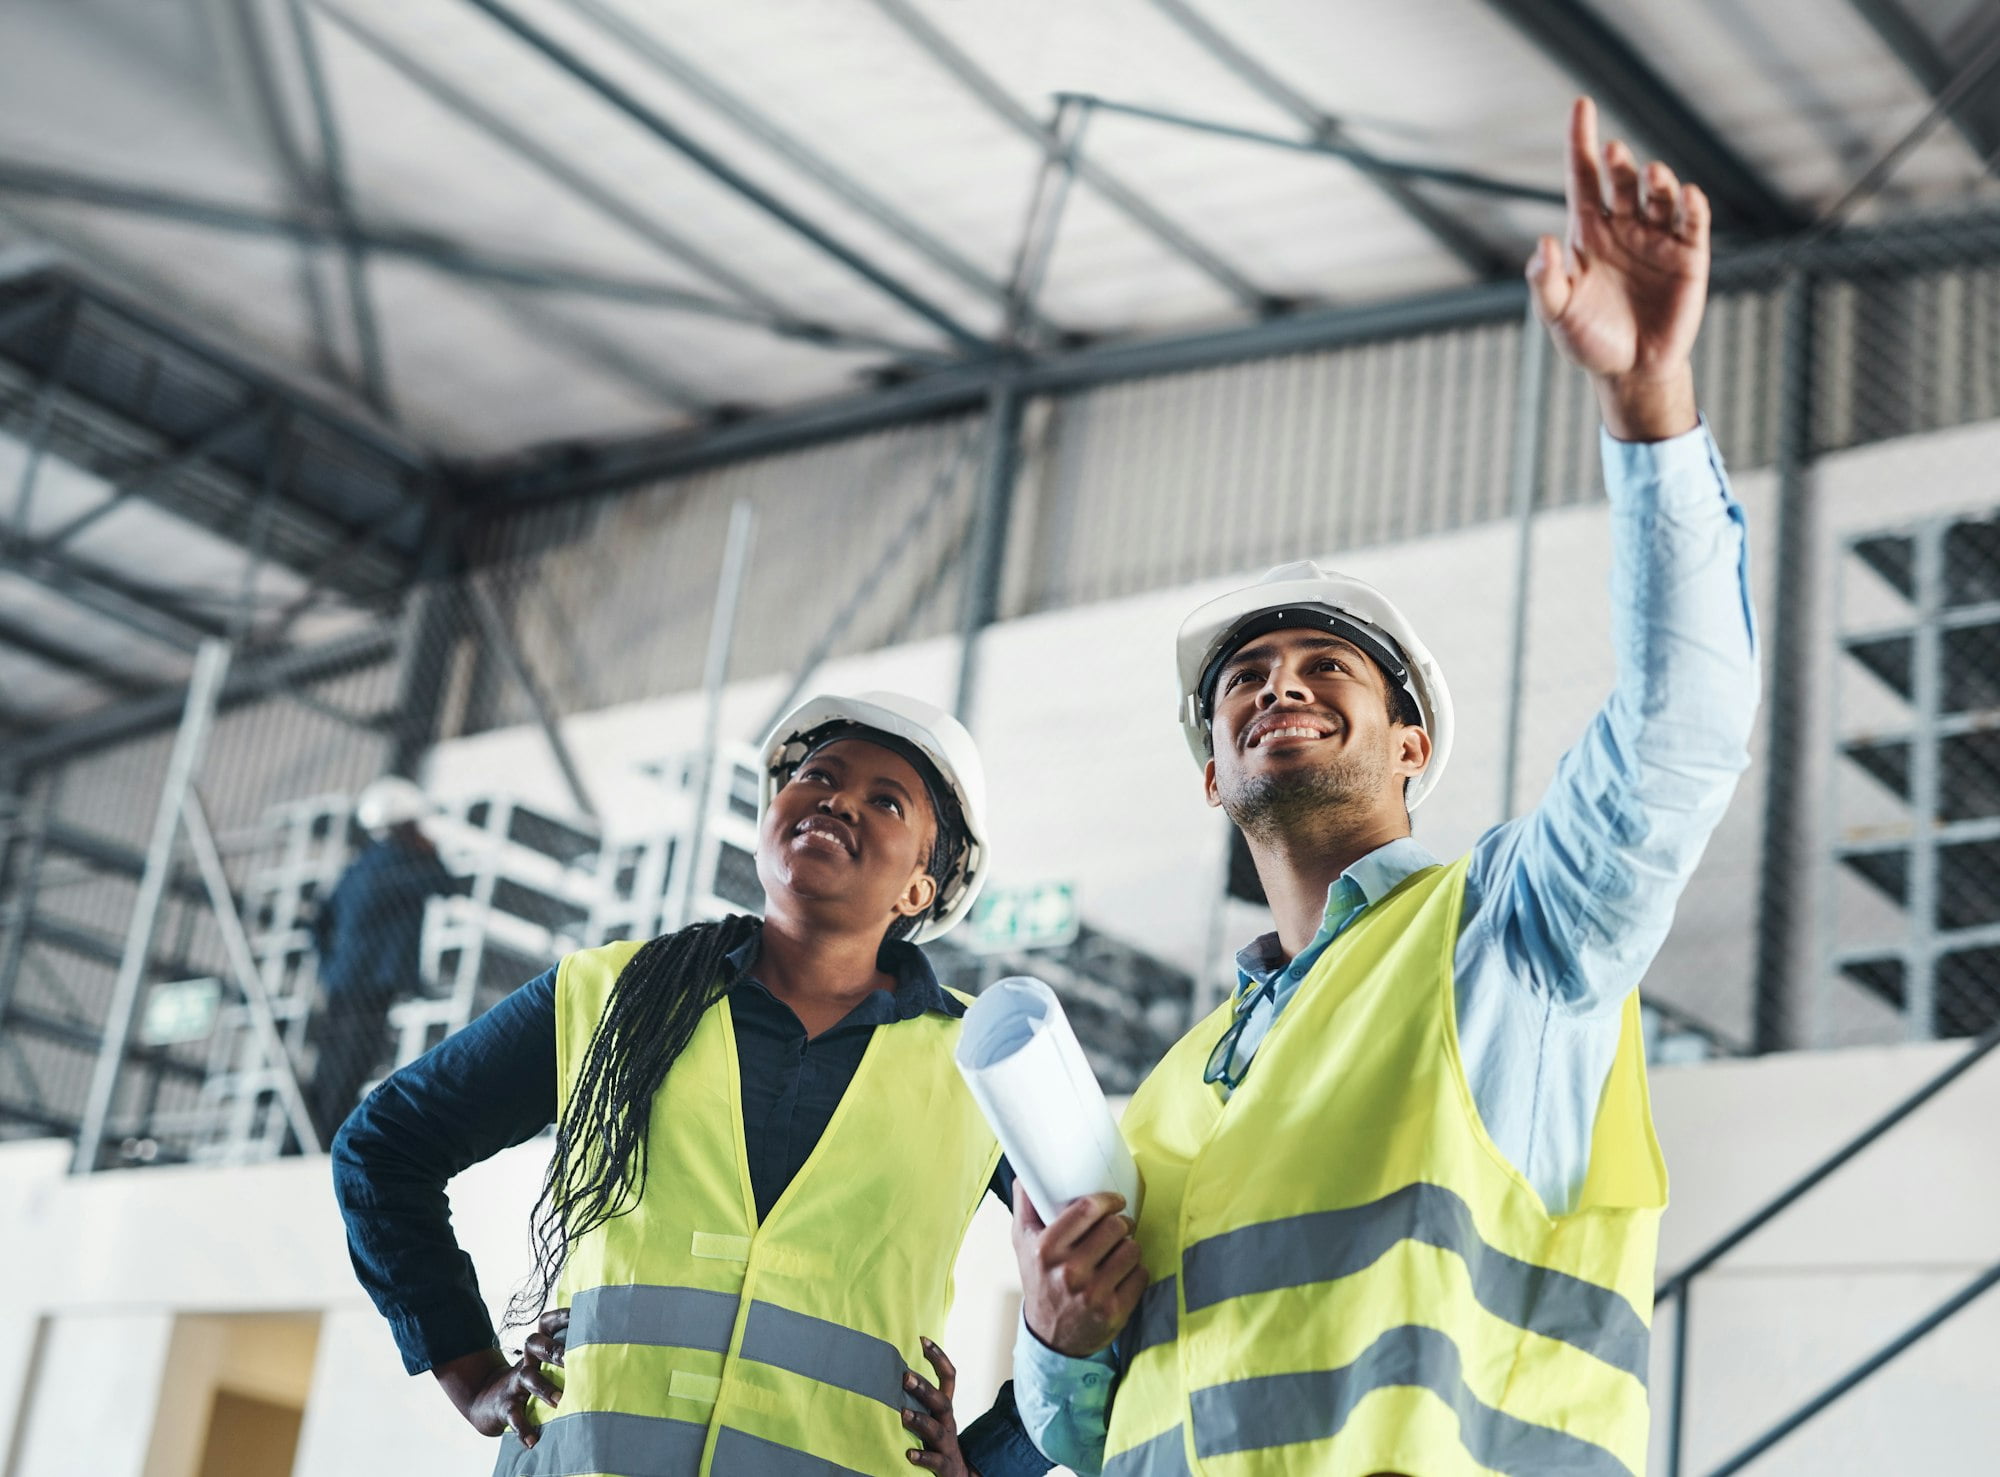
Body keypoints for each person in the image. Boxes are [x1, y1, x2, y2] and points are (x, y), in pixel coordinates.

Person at [1009, 97, 1759, 1477]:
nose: (1276, 684)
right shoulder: (1169, 1097)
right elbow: (1094, 1424)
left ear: (1415, 745)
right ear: (1212, 777)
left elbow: (1683, 723)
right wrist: (1057, 1336)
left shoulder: (1511, 939)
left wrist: (1649, 403)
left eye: (1324, 665)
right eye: (1247, 680)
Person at [333, 692, 1052, 1476]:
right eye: (817, 776)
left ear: (921, 886)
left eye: (886, 800)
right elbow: (383, 1149)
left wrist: (990, 1464)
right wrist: (470, 1374)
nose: (837, 799)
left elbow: (1113, 1286)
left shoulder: (982, 1057)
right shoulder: (614, 996)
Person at [306, 775, 460, 1141]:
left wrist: (329, 967)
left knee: (331, 1065)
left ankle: (311, 1136)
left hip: (346, 980)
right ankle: (326, 1139)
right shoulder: (405, 863)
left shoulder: (359, 866)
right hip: (375, 981)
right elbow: (446, 884)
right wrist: (430, 849)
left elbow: (318, 920)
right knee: (351, 1065)